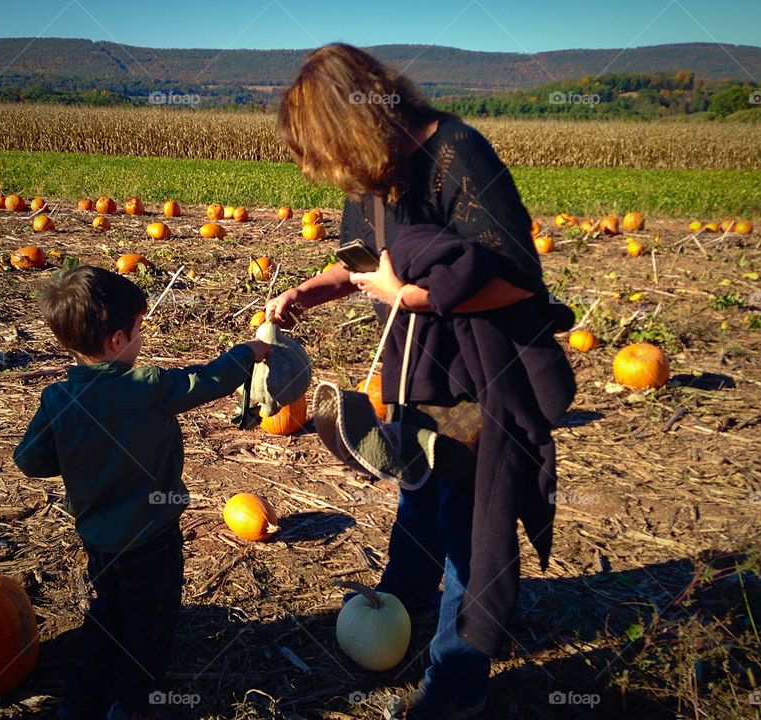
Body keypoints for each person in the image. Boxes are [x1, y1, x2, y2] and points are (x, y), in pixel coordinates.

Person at [268, 44, 576, 720]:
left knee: (469, 528)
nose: (334, 176)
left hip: (474, 379)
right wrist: (307, 293)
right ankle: (399, 617)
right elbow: (359, 265)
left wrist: (409, 297)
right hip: (414, 376)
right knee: (417, 498)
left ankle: (455, 685)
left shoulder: (458, 153)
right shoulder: (374, 178)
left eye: (331, 155)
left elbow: (517, 280)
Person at [13, 265, 270, 720]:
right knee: (150, 624)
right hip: (152, 538)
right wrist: (247, 352)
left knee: (105, 614)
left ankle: (79, 702)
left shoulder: (59, 400)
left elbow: (29, 460)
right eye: (137, 330)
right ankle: (132, 704)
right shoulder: (148, 387)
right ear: (116, 341)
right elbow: (207, 380)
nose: (141, 339)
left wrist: (73, 455)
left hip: (99, 541)